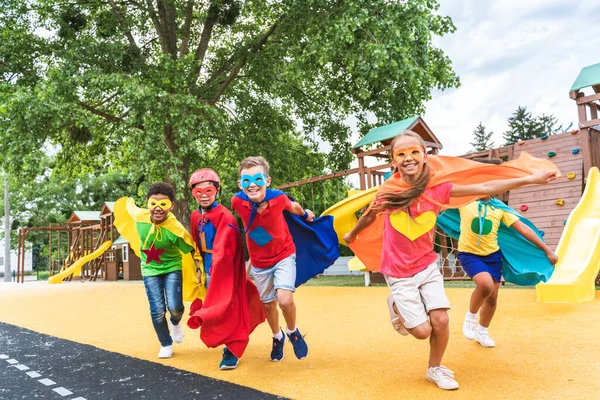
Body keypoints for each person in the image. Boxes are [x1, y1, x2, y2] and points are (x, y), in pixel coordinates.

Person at [343, 131, 558, 390]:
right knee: (422, 331)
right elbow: (367, 217)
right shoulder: (388, 194)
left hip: (426, 265)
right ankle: (397, 305)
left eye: (414, 152)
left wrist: (531, 179)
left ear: (424, 156)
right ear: (393, 161)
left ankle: (435, 368)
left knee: (442, 320)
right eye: (401, 154)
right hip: (399, 272)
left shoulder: (437, 189)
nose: (408, 158)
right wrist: (352, 234)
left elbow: (484, 187)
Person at [230, 156, 314, 362]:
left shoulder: (278, 198)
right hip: (260, 263)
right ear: (240, 184)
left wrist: (305, 215)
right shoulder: (237, 201)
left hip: (284, 255)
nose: (252, 185)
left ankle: (293, 331)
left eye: (257, 179)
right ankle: (278, 337)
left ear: (267, 181)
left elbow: (293, 207)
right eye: (246, 181)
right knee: (268, 304)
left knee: (285, 300)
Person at [187, 169, 265, 370]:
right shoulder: (195, 216)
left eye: (209, 190)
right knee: (214, 305)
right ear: (193, 194)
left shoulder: (225, 215)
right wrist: (198, 268)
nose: (204, 195)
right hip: (207, 266)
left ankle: (232, 348)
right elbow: (196, 243)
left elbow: (228, 246)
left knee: (228, 305)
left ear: (217, 191)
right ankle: (224, 338)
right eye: (198, 192)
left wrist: (217, 268)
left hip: (224, 267)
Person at [457, 197, 558, 348]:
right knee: (485, 285)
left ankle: (482, 331)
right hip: (469, 254)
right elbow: (441, 198)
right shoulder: (465, 201)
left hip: (492, 255)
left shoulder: (499, 207)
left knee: (492, 298)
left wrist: (547, 250)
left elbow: (523, 229)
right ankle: (470, 318)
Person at [138, 183, 199, 359]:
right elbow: (128, 211)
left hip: (172, 267)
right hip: (150, 269)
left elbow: (191, 248)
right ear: (147, 203)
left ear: (171, 206)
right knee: (157, 310)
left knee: (175, 307)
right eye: (153, 203)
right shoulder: (139, 219)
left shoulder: (175, 229)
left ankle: (175, 322)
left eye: (163, 204)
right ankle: (165, 343)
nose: (157, 209)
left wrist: (198, 269)